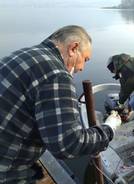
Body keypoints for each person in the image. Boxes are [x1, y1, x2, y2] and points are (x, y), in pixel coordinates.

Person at [0, 25, 121, 183]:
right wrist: (109, 129)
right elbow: (68, 144)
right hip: (7, 169)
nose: (82, 68)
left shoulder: (23, 54)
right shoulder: (56, 75)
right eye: (85, 59)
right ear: (73, 48)